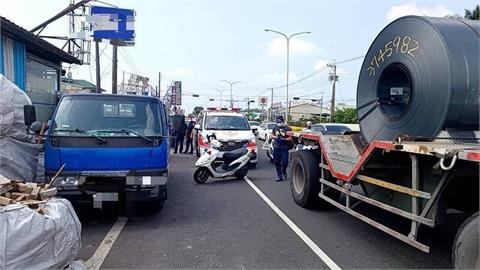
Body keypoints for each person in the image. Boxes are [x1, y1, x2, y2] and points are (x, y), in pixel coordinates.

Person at [271, 115, 292, 182]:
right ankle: (279, 176)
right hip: (276, 147)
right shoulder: (275, 127)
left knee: (285, 162)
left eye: (280, 121)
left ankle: (284, 171)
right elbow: (271, 135)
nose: (278, 123)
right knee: (277, 162)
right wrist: (275, 137)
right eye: (277, 121)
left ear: (283, 121)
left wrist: (284, 139)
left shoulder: (288, 128)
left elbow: (291, 138)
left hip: (284, 147)